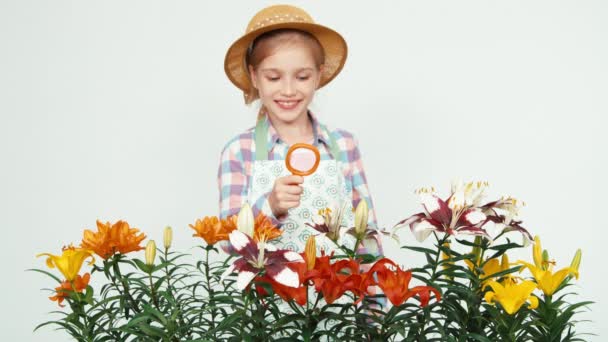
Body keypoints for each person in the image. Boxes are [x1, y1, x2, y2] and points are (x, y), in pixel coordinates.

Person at [218, 4, 382, 256]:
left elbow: (366, 232)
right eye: (273, 77)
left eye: (302, 77)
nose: (288, 90)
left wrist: (376, 293)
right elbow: (230, 242)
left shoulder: (344, 145)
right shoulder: (239, 151)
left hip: (339, 292)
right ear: (254, 76)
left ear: (318, 75)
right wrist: (270, 206)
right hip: (270, 293)